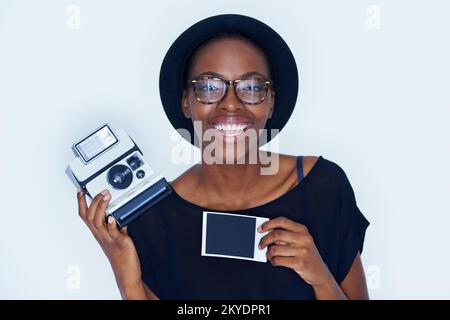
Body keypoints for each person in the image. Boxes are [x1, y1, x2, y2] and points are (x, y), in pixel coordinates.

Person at [76, 14, 370, 300]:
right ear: (186, 103)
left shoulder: (322, 188)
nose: (230, 104)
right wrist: (129, 283)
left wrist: (321, 277)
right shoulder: (154, 218)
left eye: (252, 87)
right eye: (208, 87)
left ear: (271, 103)